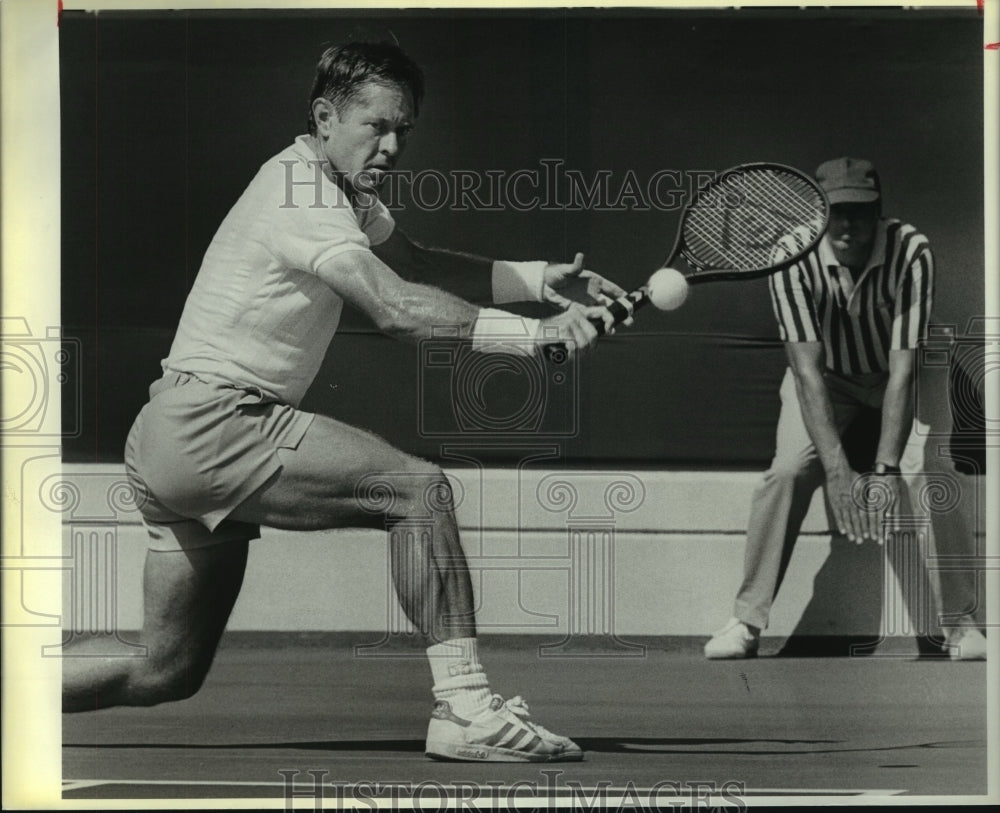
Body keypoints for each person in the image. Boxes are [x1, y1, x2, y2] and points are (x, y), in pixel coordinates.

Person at [61, 41, 630, 762]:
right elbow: (394, 306)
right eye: (376, 126)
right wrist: (536, 339)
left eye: (404, 130)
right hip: (216, 424)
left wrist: (539, 279)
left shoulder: (341, 193)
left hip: (169, 434)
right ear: (326, 118)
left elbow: (414, 263)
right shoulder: (299, 190)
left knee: (163, 670)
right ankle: (467, 711)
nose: (391, 146)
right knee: (418, 491)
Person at [704, 157, 987, 661]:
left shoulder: (912, 250)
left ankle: (961, 625)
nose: (848, 226)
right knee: (788, 471)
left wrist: (885, 469)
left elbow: (903, 371)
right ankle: (746, 621)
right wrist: (837, 471)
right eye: (836, 212)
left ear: (879, 212)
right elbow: (806, 372)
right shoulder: (790, 255)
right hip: (828, 379)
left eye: (859, 212)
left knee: (932, 470)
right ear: (819, 213)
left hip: (910, 372)